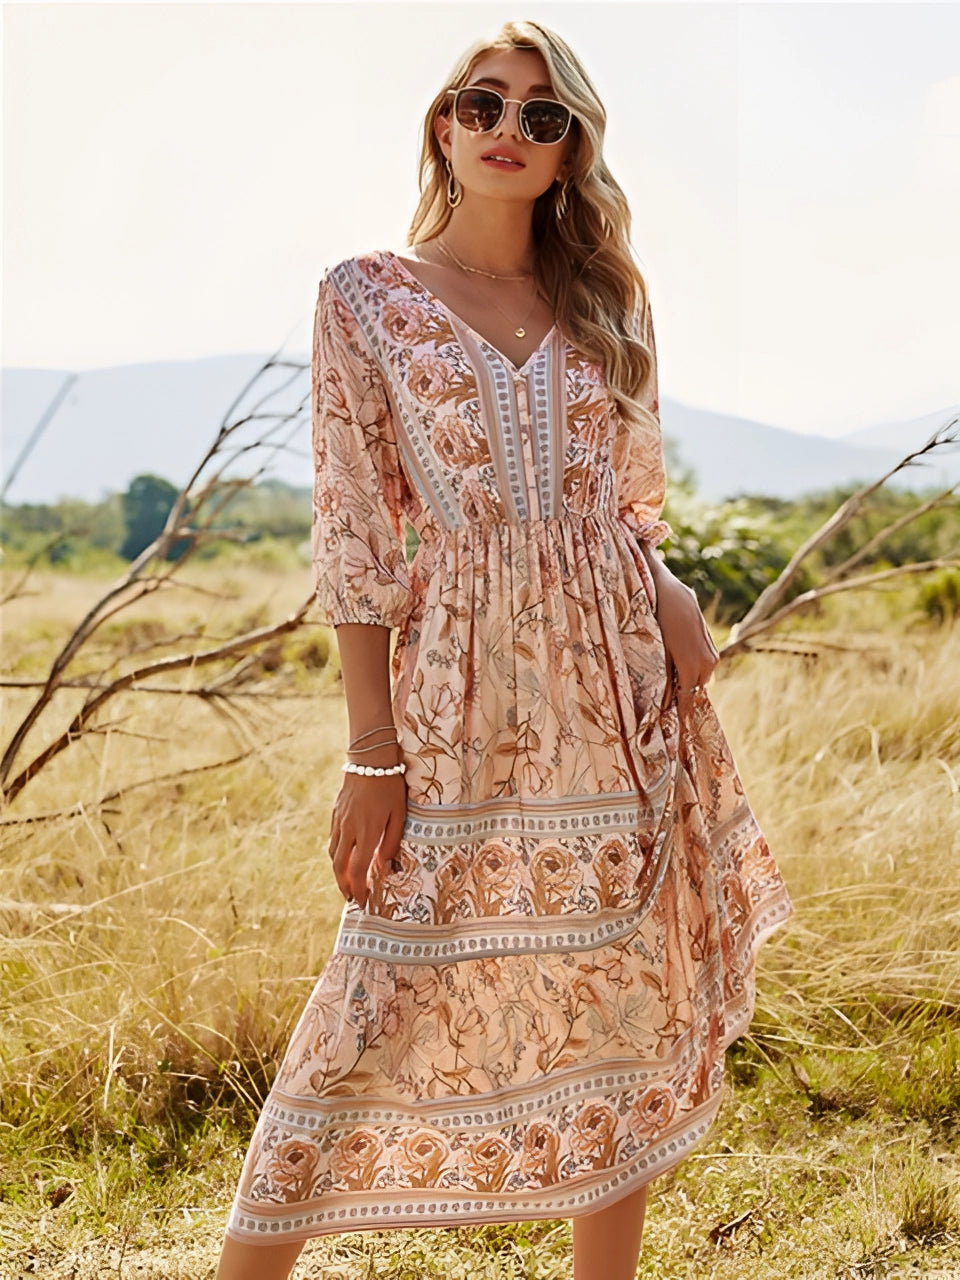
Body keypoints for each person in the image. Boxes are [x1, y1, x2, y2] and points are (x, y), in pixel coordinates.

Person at [216, 19, 794, 1280]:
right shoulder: (364, 296)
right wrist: (372, 750)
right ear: (442, 122)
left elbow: (625, 504)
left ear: (572, 145)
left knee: (621, 992)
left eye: (543, 115)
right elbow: (359, 536)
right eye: (486, 104)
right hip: (455, 693)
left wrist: (671, 587)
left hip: (617, 686)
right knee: (372, 993)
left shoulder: (609, 298)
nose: (509, 131)